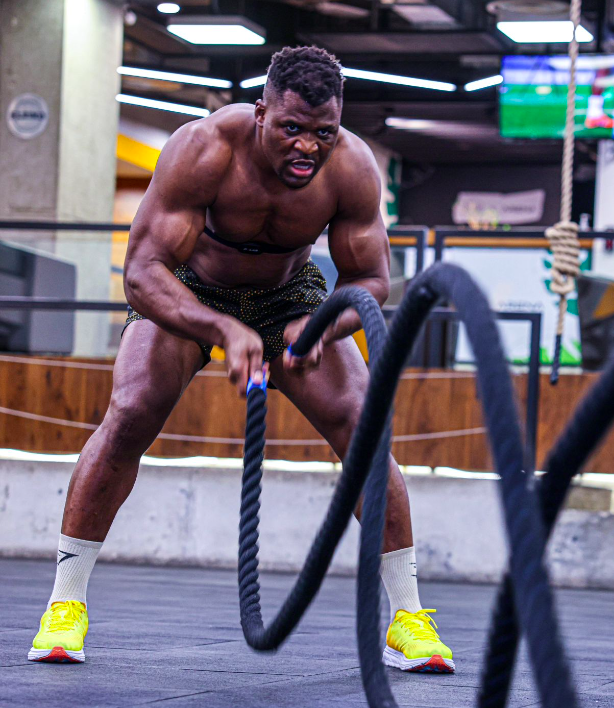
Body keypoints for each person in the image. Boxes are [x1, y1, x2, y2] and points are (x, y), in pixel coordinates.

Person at [28, 46, 454, 674]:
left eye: (322, 133)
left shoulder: (353, 167)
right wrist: (221, 328)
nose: (307, 147)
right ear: (260, 113)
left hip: (290, 295)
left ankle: (409, 618)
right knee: (131, 411)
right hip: (192, 292)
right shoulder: (203, 149)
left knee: (364, 428)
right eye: (291, 129)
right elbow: (144, 274)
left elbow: (369, 279)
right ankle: (65, 607)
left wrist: (318, 324)